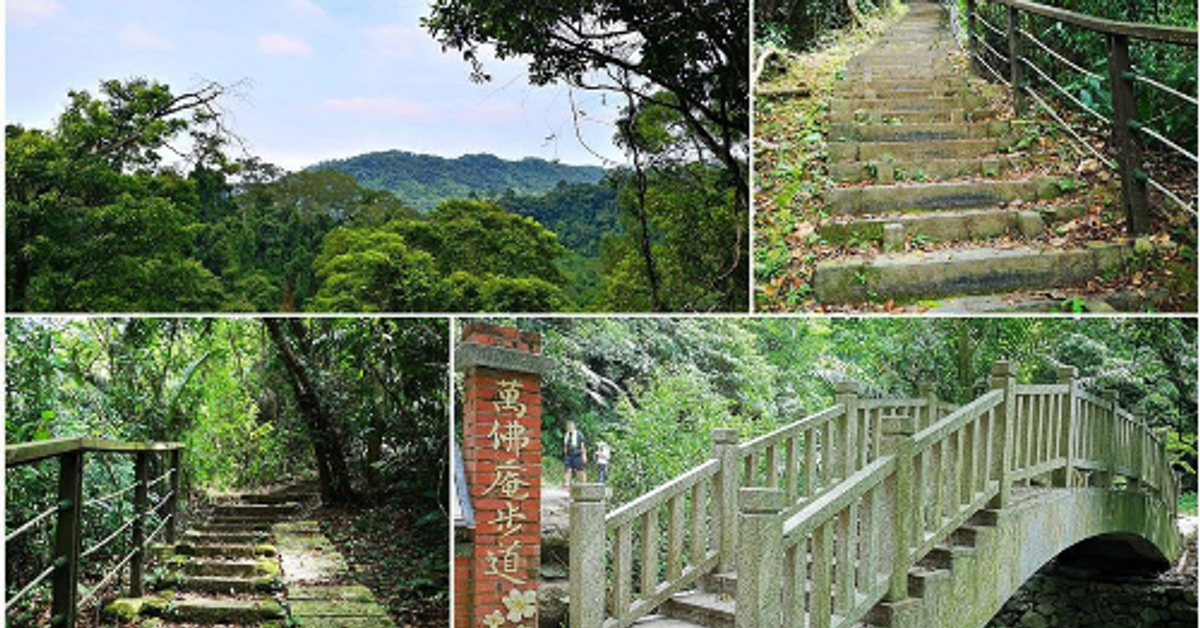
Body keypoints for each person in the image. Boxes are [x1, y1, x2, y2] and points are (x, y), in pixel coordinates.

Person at [562, 420, 587, 487]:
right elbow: (565, 446)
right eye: (568, 426)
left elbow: (583, 446)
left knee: (580, 471)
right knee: (568, 469)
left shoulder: (579, 434)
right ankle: (567, 484)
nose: (569, 427)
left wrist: (584, 455)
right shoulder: (566, 435)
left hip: (577, 454)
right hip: (569, 455)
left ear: (574, 426)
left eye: (571, 426)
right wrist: (565, 455)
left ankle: (584, 485)